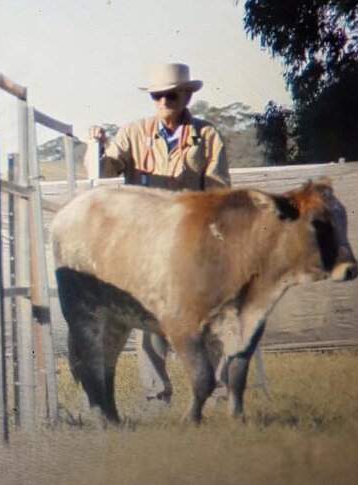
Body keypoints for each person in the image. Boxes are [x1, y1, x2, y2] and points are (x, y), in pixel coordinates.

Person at [86, 62, 231, 411]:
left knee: (211, 320)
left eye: (171, 94)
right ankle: (155, 399)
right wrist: (95, 145)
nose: (164, 101)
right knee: (148, 322)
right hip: (147, 247)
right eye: (157, 95)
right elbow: (102, 172)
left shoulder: (207, 135)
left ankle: (221, 395)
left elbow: (219, 192)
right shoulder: (133, 133)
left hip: (193, 244)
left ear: (187, 95)